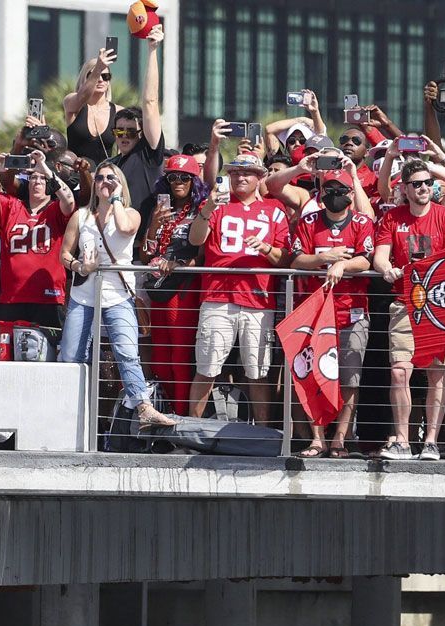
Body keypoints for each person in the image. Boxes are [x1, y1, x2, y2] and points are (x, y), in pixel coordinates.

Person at [60, 161, 176, 429]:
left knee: (126, 352)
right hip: (84, 293)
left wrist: (115, 199)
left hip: (118, 294)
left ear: (121, 183)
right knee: (71, 355)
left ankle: (143, 406)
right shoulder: (81, 216)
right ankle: (68, 409)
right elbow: (64, 253)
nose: (104, 181)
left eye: (111, 177)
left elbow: (125, 229)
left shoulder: (131, 214)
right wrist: (79, 265)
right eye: (99, 177)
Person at [372, 157, 445, 461]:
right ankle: (402, 439)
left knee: (437, 375)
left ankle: (430, 442)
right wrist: (386, 269)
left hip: (439, 307)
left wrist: (433, 159)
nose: (425, 188)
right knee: (400, 372)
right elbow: (379, 257)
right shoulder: (392, 217)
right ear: (405, 188)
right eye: (417, 184)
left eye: (429, 183)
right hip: (403, 303)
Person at [187, 152, 290, 422]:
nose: (239, 177)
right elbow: (196, 239)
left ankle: (264, 435)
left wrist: (267, 249)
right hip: (217, 296)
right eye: (234, 172)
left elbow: (285, 259)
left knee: (257, 371)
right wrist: (207, 209)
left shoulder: (274, 210)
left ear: (260, 177)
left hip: (258, 300)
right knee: (207, 367)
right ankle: (192, 432)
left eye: (247, 173)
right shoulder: (217, 204)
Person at [287, 164, 375, 458]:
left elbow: (366, 260)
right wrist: (324, 257)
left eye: (342, 189)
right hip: (314, 312)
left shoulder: (362, 221)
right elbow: (297, 259)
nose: (336, 194)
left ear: (351, 192)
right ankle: (317, 438)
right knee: (312, 375)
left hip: (352, 311)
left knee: (350, 378)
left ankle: (340, 438)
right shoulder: (308, 221)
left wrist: (343, 264)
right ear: (321, 193)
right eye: (330, 190)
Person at [0, 149, 76, 328]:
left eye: (42, 178)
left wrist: (44, 167)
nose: (37, 181)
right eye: (33, 177)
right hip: (12, 297)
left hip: (49, 298)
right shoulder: (11, 206)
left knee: (48, 353)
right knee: (8, 352)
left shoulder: (56, 210)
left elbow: (70, 201)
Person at [138, 153, 207, 415]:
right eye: (173, 177)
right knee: (160, 357)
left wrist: (179, 264)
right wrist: (154, 224)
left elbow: (203, 255)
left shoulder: (200, 210)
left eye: (184, 178)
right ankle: (166, 414)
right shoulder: (160, 209)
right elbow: (146, 254)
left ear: (194, 181)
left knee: (180, 357)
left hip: (184, 287)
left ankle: (180, 419)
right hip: (158, 288)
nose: (178, 182)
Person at [105, 24, 170, 209]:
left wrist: (152, 50)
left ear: (142, 133)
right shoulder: (110, 165)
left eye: (131, 132)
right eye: (119, 131)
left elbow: (150, 102)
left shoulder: (147, 154)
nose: (124, 136)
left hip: (141, 235)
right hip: (113, 235)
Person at [64, 44, 123, 164]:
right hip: (75, 176)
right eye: (93, 75)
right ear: (85, 78)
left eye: (105, 76)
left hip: (104, 177)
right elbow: (81, 97)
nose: (100, 79)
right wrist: (98, 69)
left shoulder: (118, 112)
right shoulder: (73, 103)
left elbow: (122, 148)